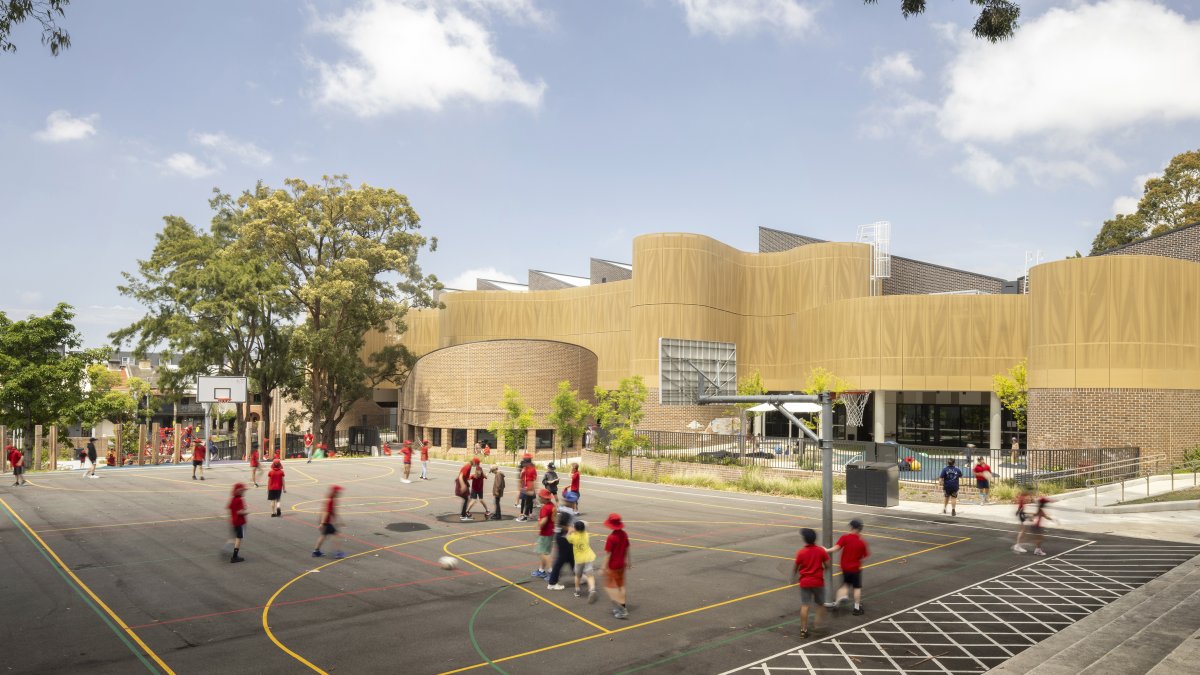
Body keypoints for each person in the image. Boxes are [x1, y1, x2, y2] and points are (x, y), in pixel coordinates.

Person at [826, 519, 869, 616]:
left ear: (852, 527)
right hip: (856, 569)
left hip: (845, 567)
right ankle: (857, 608)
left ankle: (836, 603)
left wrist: (827, 550)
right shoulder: (862, 542)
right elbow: (865, 557)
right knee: (857, 588)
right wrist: (859, 562)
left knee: (845, 585)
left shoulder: (845, 538)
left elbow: (836, 548)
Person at [793, 527, 830, 638]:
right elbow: (827, 565)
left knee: (805, 605)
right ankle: (817, 624)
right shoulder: (820, 551)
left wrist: (794, 577)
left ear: (805, 539)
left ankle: (803, 630)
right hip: (818, 582)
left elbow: (796, 567)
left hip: (805, 582)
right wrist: (822, 570)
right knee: (820, 604)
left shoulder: (801, 552)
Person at [546, 490, 579, 591]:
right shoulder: (566, 511)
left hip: (564, 537)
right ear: (568, 501)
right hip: (564, 538)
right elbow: (561, 524)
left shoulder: (562, 508)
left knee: (571, 558)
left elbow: (556, 519)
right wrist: (570, 529)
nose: (574, 503)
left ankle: (578, 576)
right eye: (573, 502)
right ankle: (552, 582)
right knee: (560, 560)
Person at [603, 512, 631, 619]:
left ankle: (620, 609)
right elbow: (627, 548)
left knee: (610, 588)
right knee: (621, 586)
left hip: (613, 566)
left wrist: (603, 567)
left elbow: (608, 554)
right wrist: (629, 561)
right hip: (622, 565)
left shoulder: (611, 537)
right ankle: (623, 606)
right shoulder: (624, 534)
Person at [568, 520, 598, 603]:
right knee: (590, 575)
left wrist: (569, 531)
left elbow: (568, 539)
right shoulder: (586, 534)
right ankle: (592, 589)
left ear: (575, 529)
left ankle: (577, 591)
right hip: (588, 557)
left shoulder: (573, 537)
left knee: (578, 575)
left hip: (579, 559)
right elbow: (584, 527)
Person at [312, 485, 345, 558]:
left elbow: (332, 512)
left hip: (325, 522)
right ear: (334, 492)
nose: (339, 493)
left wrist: (338, 521)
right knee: (336, 535)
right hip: (326, 522)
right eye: (337, 492)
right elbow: (326, 512)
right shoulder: (331, 501)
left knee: (323, 536)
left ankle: (316, 551)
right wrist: (322, 523)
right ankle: (338, 553)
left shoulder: (330, 499)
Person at [532, 489, 555, 579]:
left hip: (546, 533)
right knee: (544, 551)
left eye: (540, 497)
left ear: (543, 498)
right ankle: (541, 570)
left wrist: (537, 525)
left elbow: (544, 520)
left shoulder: (545, 508)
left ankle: (551, 572)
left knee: (544, 553)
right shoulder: (552, 505)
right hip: (550, 531)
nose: (539, 498)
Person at [228, 483, 248, 563]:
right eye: (242, 490)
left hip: (234, 521)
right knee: (239, 539)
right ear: (239, 491)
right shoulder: (239, 500)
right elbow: (239, 512)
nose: (244, 492)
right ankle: (234, 556)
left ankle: (228, 547)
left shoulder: (233, 499)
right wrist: (246, 512)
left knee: (236, 538)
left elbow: (230, 507)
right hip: (239, 522)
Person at [1012, 485, 1034, 553]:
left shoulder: (1023, 496)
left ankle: (1018, 545)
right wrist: (1027, 516)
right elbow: (1020, 508)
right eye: (1030, 492)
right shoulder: (1023, 498)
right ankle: (1017, 546)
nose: (1031, 494)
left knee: (1024, 530)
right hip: (1021, 514)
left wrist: (1028, 517)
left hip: (1021, 513)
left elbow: (1020, 508)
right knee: (1022, 530)